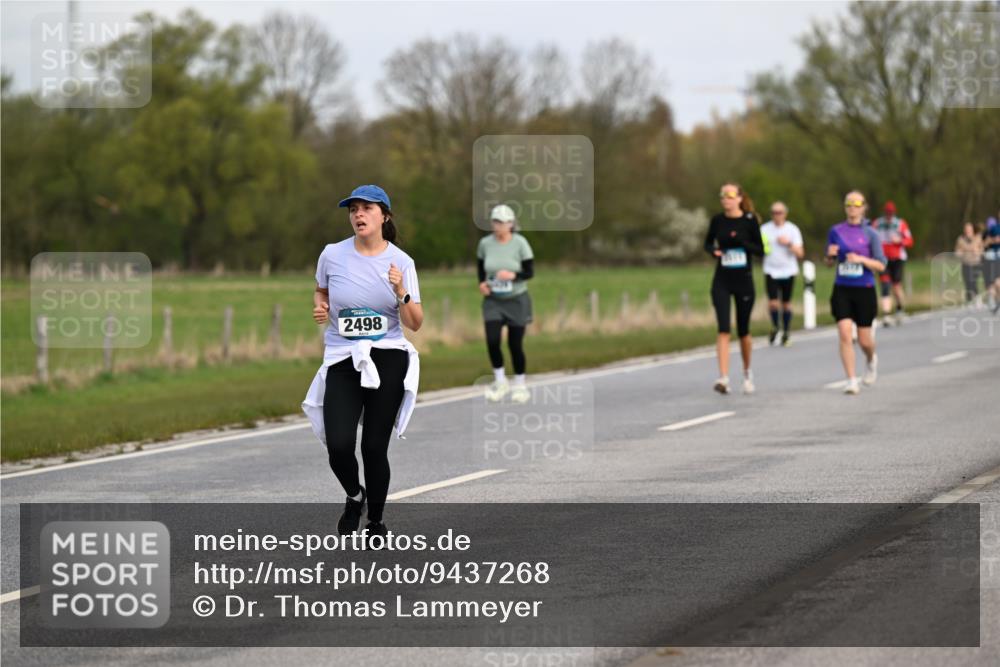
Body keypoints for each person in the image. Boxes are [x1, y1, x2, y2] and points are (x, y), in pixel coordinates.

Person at [302, 184, 424, 542]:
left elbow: (415, 322)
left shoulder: (401, 262)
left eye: (366, 208)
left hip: (388, 356)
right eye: (353, 209)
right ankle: (356, 496)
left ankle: (376, 521)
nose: (358, 215)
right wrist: (321, 306)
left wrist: (400, 290)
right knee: (338, 444)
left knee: (373, 447)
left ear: (384, 216)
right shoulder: (332, 254)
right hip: (343, 355)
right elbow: (321, 290)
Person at [704, 183, 765, 394]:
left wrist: (743, 244)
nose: (726, 199)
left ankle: (747, 372)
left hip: (744, 280)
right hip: (722, 280)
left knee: (743, 331)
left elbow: (760, 250)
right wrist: (714, 251)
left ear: (739, 198)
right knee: (723, 329)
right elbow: (707, 244)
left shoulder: (749, 221)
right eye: (722, 195)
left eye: (730, 195)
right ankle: (723, 378)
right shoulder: (717, 220)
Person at [826, 191, 886, 395]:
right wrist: (830, 256)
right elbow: (829, 262)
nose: (852, 207)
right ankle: (851, 380)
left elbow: (881, 265)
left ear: (863, 207)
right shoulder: (835, 231)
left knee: (864, 340)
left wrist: (861, 260)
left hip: (864, 289)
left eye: (856, 203)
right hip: (842, 287)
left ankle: (871, 359)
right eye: (848, 203)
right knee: (844, 333)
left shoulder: (871, 234)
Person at [478, 204, 535, 403]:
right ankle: (500, 381)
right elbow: (481, 268)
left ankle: (520, 385)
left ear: (511, 224)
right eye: (496, 222)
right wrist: (482, 284)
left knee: (514, 344)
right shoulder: (485, 243)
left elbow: (530, 272)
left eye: (503, 222)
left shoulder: (520, 243)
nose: (499, 226)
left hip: (517, 299)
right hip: (493, 300)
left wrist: (513, 275)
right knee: (493, 341)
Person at [760, 201, 805, 346]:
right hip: (771, 270)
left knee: (786, 304)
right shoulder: (765, 229)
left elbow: (800, 253)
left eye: (779, 212)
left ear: (785, 214)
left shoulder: (792, 230)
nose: (776, 215)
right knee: (773, 303)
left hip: (788, 270)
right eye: (773, 212)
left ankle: (786, 331)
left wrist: (788, 243)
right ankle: (775, 327)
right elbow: (758, 247)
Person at [871, 201, 913, 326]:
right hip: (883, 259)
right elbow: (870, 238)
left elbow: (910, 241)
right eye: (887, 213)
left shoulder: (900, 224)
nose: (889, 216)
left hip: (897, 258)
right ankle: (886, 314)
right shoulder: (877, 224)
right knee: (884, 285)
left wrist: (900, 240)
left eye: (891, 213)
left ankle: (900, 308)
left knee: (896, 286)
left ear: (894, 213)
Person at [954, 222, 984, 305]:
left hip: (976, 263)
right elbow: (957, 251)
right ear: (964, 230)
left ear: (972, 229)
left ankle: (978, 297)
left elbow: (982, 249)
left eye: (969, 229)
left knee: (972, 281)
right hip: (966, 263)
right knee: (967, 282)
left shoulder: (978, 238)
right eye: (966, 229)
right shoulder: (960, 239)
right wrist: (960, 252)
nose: (967, 231)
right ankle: (970, 299)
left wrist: (978, 251)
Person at [984, 216, 1000, 314]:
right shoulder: (988, 232)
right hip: (991, 259)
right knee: (993, 282)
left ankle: (994, 300)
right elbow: (984, 244)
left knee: (995, 282)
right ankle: (993, 300)